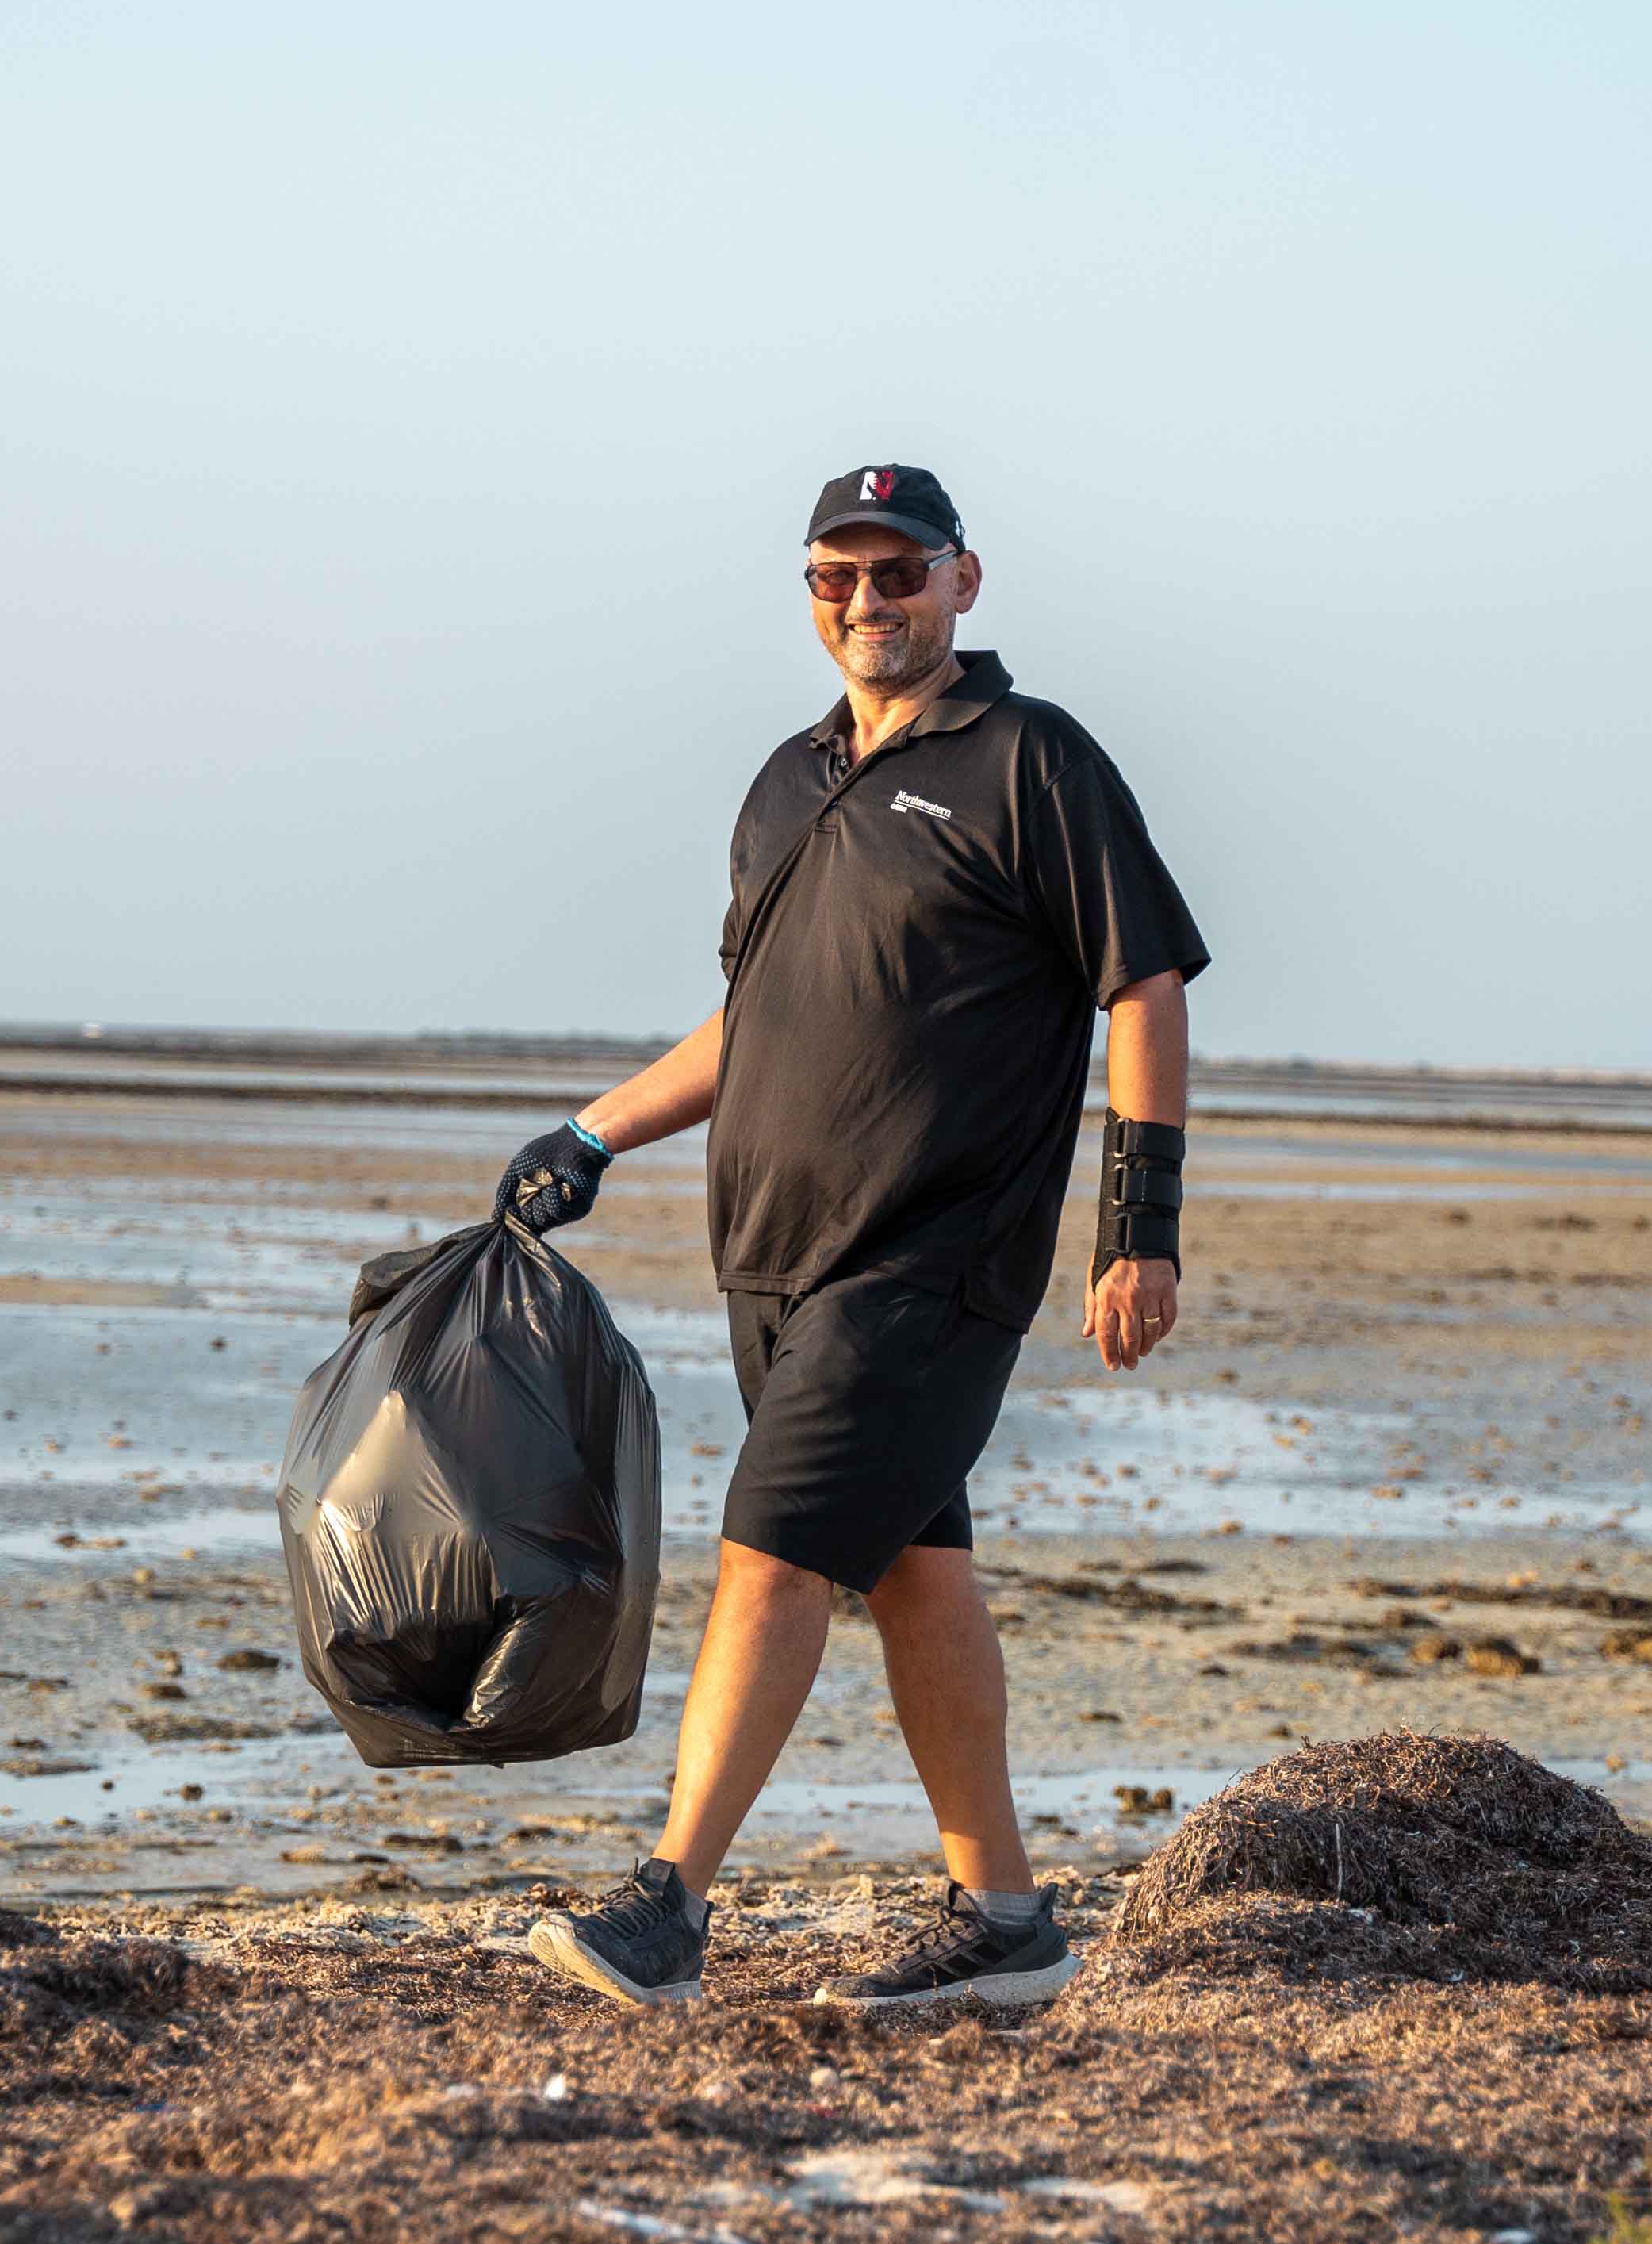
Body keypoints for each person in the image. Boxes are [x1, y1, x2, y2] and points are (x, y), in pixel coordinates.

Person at [510, 462, 1207, 2011]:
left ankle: (668, 1908)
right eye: (839, 577)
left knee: (770, 1553)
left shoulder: (1031, 759)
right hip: (775, 1264)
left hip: (928, 1264)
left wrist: (1138, 1228)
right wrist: (591, 1131)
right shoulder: (788, 779)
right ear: (810, 592)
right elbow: (750, 1027)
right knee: (915, 1574)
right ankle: (1007, 1924)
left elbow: (1143, 986)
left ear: (964, 582)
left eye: (899, 575)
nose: (868, 604)